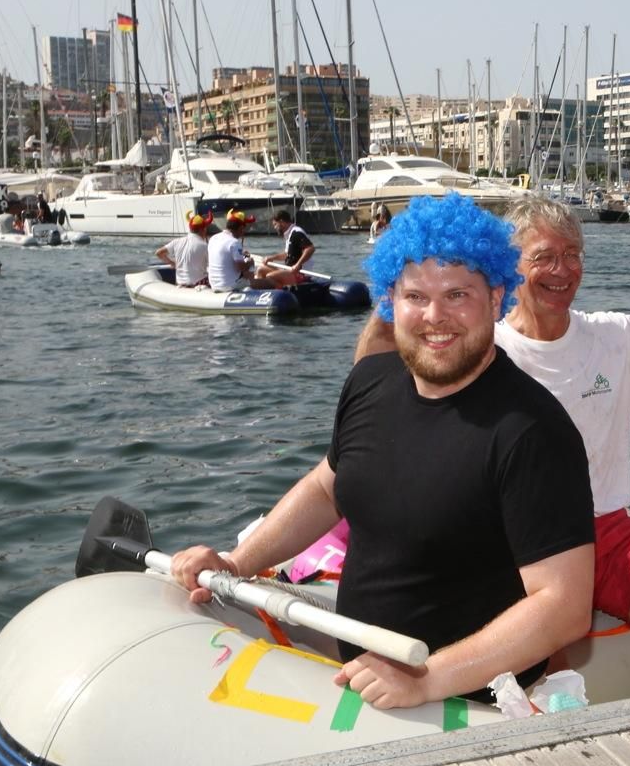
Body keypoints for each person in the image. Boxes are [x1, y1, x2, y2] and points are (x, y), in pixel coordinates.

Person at [171, 193, 596, 710]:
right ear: (391, 299)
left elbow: (564, 606)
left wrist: (426, 678)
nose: (435, 317)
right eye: (415, 296)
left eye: (458, 294)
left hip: (463, 701)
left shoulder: (531, 430)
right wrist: (237, 563)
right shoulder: (371, 382)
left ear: (497, 296)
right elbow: (328, 488)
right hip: (358, 676)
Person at [353, 195, 630, 683]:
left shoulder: (616, 338)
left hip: (604, 532)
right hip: (499, 541)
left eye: (572, 255)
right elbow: (378, 390)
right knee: (547, 651)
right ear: (508, 270)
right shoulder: (472, 344)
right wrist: (392, 293)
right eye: (542, 256)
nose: (561, 270)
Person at [206, 209, 281, 291]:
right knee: (271, 283)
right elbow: (242, 268)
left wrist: (245, 256)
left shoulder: (213, 238)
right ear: (241, 228)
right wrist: (250, 263)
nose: (244, 231)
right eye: (244, 228)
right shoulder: (233, 242)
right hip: (231, 285)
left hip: (214, 284)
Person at [154, 209, 213, 288]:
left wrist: (172, 263)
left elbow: (159, 253)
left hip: (180, 283)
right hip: (198, 284)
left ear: (190, 229)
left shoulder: (176, 242)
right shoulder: (204, 246)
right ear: (204, 229)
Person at [256, 208, 314, 287]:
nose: (275, 228)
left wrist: (297, 265)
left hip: (300, 273)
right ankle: (261, 294)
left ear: (282, 222)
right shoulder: (289, 234)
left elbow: (310, 248)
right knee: (261, 270)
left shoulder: (296, 232)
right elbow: (287, 254)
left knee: (270, 276)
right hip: (288, 270)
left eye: (275, 225)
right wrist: (271, 257)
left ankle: (283, 294)